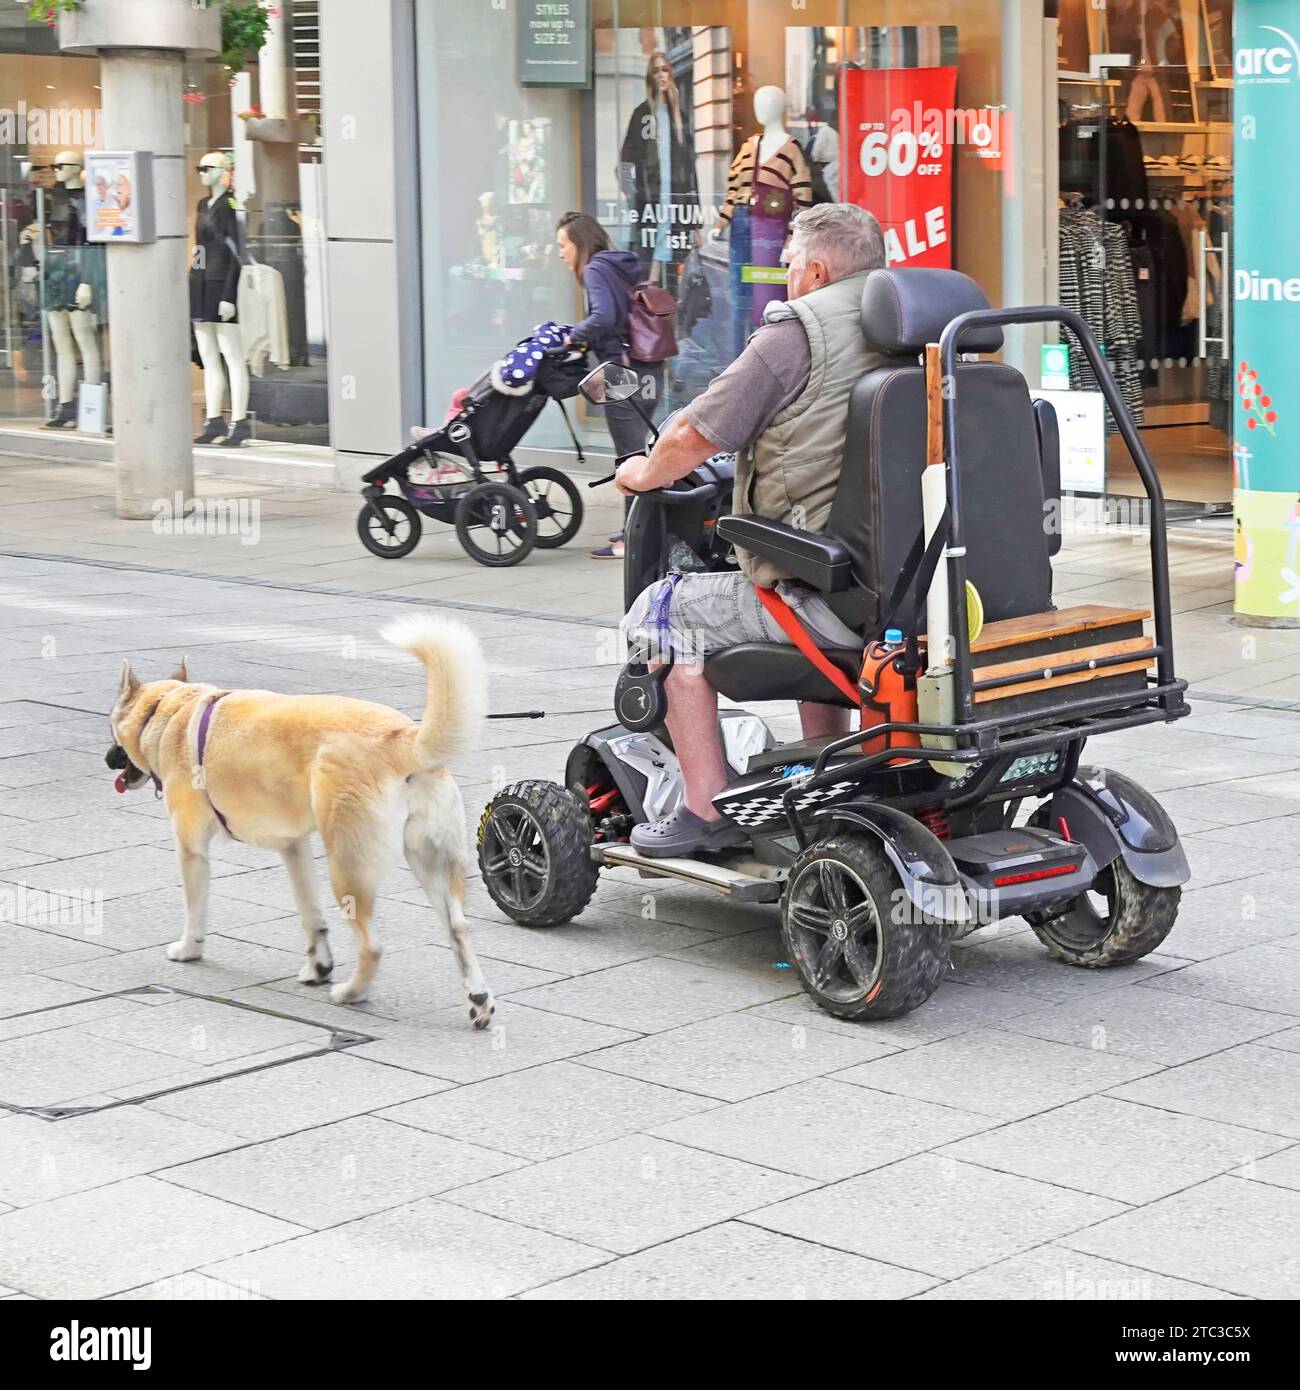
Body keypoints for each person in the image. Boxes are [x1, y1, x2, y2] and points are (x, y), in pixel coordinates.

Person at [618, 203, 887, 857]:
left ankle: (704, 806)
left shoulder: (797, 334)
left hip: (835, 592)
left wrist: (640, 474)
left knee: (660, 613)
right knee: (811, 571)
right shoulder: (920, 324)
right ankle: (826, 764)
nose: (785, 272)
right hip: (919, 588)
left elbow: (692, 433)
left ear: (817, 270)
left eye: (791, 261)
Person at [555, 210, 663, 558]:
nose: (560, 252)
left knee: (629, 458)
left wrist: (575, 335)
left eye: (563, 245)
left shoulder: (596, 269)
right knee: (639, 452)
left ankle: (633, 539)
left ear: (579, 243)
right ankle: (643, 530)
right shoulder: (620, 265)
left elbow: (605, 316)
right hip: (649, 367)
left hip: (621, 371)